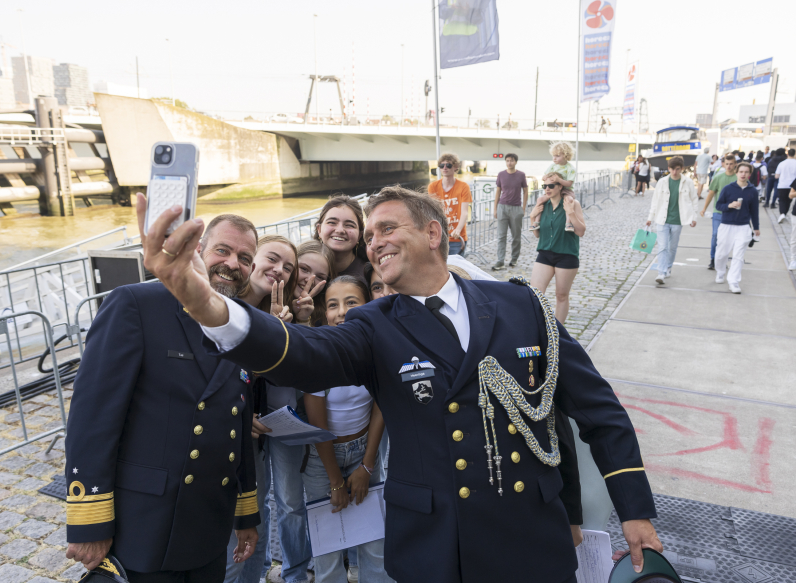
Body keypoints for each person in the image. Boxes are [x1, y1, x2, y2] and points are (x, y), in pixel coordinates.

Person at [142, 186, 663, 583]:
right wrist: (206, 305)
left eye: (387, 228)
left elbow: (595, 411)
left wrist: (634, 510)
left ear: (432, 234)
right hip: (436, 546)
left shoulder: (519, 303)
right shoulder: (374, 324)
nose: (374, 241)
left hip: (528, 534)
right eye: (370, 235)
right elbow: (302, 355)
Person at [64, 211, 261, 583]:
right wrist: (89, 519)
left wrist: (246, 513)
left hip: (209, 523)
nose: (232, 264)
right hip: (146, 522)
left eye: (245, 258)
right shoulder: (136, 305)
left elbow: (236, 422)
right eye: (223, 250)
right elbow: (93, 418)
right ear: (198, 250)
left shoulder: (241, 324)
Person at [302, 275, 393, 583]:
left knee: (375, 541)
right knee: (327, 547)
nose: (341, 312)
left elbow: (381, 405)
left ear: (367, 305)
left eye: (351, 302)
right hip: (321, 458)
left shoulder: (377, 348)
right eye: (332, 305)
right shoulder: (318, 353)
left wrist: (367, 467)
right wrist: (335, 482)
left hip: (364, 449)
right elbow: (318, 425)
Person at [224, 235, 301, 583]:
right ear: (251, 259)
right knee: (232, 526)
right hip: (225, 436)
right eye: (272, 258)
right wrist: (241, 414)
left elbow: (265, 376)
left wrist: (277, 330)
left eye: (288, 268)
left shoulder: (275, 315)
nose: (278, 270)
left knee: (256, 511)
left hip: (253, 433)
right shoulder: (223, 303)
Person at [528, 173, 587, 323]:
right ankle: (539, 327)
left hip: (567, 255)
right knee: (535, 294)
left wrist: (571, 213)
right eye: (544, 186)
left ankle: (558, 331)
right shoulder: (542, 205)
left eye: (551, 186)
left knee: (561, 295)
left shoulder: (572, 203)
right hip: (545, 254)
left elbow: (581, 231)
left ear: (560, 186)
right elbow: (537, 234)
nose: (547, 189)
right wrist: (531, 217)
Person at [645, 156, 699, 285]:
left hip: (678, 220)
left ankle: (668, 267)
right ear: (668, 168)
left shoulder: (688, 182)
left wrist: (694, 217)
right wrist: (650, 218)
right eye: (672, 169)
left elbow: (694, 200)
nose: (674, 172)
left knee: (672, 247)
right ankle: (661, 273)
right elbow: (655, 201)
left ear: (681, 169)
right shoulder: (662, 182)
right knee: (663, 247)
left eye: (677, 169)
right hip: (662, 219)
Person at [715, 162, 761, 294]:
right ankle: (721, 272)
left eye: (746, 172)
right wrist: (729, 205)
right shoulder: (728, 188)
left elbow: (754, 211)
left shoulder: (752, 191)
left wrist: (756, 228)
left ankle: (733, 281)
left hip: (743, 227)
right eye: (741, 171)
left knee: (738, 256)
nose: (743, 174)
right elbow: (718, 206)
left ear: (749, 174)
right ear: (736, 172)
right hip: (726, 225)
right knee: (721, 254)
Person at [428, 152, 472, 256]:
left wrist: (458, 229)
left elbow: (464, 212)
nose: (445, 168)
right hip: (440, 236)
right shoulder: (433, 187)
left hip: (457, 237)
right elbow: (432, 211)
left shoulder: (463, 187)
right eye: (441, 165)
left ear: (455, 167)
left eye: (448, 165)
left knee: (456, 268)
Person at [314, 195, 367, 278]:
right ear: (319, 230)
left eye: (349, 225)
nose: (340, 230)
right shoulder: (302, 267)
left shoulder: (370, 275)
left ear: (360, 235)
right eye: (332, 222)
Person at [492, 153, 529, 269]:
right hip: (502, 207)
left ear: (516, 162)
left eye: (511, 160)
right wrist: (495, 209)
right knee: (501, 236)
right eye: (507, 160)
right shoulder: (501, 174)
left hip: (516, 208)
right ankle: (500, 261)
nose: (509, 163)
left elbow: (526, 191)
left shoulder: (521, 175)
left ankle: (514, 259)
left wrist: (523, 208)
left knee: (516, 236)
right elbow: (498, 192)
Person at [701, 154, 738, 270]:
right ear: (723, 164)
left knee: (727, 238)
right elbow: (711, 193)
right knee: (715, 235)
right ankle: (713, 259)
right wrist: (704, 208)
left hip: (733, 213)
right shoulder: (718, 177)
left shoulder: (738, 178)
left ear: (735, 164)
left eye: (731, 164)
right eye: (727, 164)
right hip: (718, 211)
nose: (729, 166)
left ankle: (722, 260)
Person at [291, 240, 334, 326]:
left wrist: (303, 320)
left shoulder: (326, 317)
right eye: (304, 269)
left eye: (320, 277)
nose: (309, 280)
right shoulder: (268, 296)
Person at [774, 148, 796, 223]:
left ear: (787, 154)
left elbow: (777, 175)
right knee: (788, 201)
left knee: (782, 200)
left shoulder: (782, 163)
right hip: (793, 186)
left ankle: (782, 213)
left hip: (782, 184)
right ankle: (784, 213)